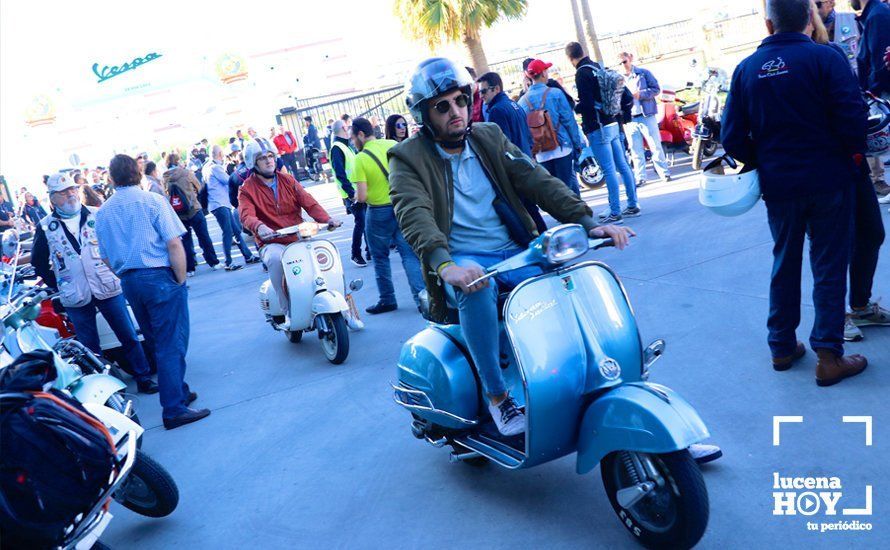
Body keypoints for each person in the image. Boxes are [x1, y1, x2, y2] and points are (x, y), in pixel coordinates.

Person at [389, 58, 634, 436]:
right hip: (464, 261)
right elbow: (413, 213)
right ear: (425, 113)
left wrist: (588, 221)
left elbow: (536, 179)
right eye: (443, 106)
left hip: (515, 250)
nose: (455, 111)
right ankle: (498, 397)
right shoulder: (409, 158)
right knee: (476, 290)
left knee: (568, 278)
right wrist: (445, 265)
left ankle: (602, 373)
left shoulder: (487, 136)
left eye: (459, 100)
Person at [722, 0, 869, 385]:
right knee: (829, 265)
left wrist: (765, 160)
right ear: (810, 18)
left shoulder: (746, 70)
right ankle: (828, 355)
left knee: (784, 260)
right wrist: (847, 159)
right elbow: (853, 118)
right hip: (829, 180)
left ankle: (782, 346)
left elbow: (732, 138)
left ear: (768, 23)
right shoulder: (826, 58)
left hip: (780, 186)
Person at [95, 155, 210, 430]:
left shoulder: (104, 211)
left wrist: (125, 275)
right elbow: (173, 243)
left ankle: (177, 391)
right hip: (158, 275)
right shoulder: (153, 201)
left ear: (111, 178)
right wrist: (179, 279)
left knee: (158, 339)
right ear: (138, 173)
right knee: (172, 341)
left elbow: (106, 257)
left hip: (130, 280)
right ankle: (173, 408)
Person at [32, 172, 158, 395]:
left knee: (127, 335)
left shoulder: (97, 214)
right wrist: (58, 283)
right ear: (52, 198)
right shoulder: (45, 227)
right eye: (63, 192)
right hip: (75, 293)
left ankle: (144, 377)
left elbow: (118, 243)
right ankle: (106, 389)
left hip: (107, 285)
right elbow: (38, 262)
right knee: (89, 346)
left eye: (72, 189)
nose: (70, 194)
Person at [237, 138, 339, 313]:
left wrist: (327, 219)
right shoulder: (247, 189)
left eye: (271, 156)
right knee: (275, 260)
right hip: (271, 242)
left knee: (323, 256)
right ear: (253, 163)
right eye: (262, 158)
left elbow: (309, 202)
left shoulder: (288, 180)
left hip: (298, 236)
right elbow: (246, 215)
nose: (269, 160)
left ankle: (341, 305)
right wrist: (260, 227)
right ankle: (287, 309)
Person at [351, 117, 425, 314]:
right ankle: (422, 299)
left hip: (378, 211)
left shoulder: (360, 158)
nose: (352, 142)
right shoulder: (392, 145)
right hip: (401, 205)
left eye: (353, 137)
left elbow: (363, 195)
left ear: (360, 134)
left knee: (380, 256)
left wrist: (355, 198)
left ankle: (387, 299)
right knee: (408, 253)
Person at [567, 41, 640, 223]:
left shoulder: (582, 73)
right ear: (583, 51)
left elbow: (588, 104)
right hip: (613, 122)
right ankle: (632, 204)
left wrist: (578, 109)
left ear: (570, 58)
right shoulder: (597, 67)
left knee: (608, 170)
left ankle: (615, 212)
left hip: (598, 127)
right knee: (622, 165)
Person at [478, 71, 547, 233]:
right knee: (531, 211)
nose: (481, 96)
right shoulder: (513, 105)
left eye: (483, 91)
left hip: (514, 169)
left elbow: (501, 145)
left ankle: (546, 245)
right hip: (525, 162)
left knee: (527, 214)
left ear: (495, 89)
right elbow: (528, 138)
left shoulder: (496, 111)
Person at [520, 59, 585, 195]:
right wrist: (577, 145)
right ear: (543, 73)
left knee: (554, 192)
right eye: (546, 70)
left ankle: (563, 215)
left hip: (541, 152)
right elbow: (569, 122)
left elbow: (524, 131)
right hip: (562, 147)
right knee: (567, 188)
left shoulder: (522, 101)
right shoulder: (555, 93)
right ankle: (577, 214)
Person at [852, 0, 890, 196]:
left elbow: (880, 63)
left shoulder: (877, 16)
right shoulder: (874, 15)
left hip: (883, 95)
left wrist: (871, 94)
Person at [204, 145, 261, 271]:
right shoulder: (215, 168)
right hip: (219, 204)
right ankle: (228, 262)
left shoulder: (207, 167)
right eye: (222, 153)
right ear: (219, 154)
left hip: (219, 204)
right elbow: (229, 180)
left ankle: (248, 256)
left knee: (236, 231)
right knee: (228, 232)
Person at [618, 52, 671, 185]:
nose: (623, 65)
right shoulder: (618, 79)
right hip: (630, 119)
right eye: (620, 63)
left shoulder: (643, 73)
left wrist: (640, 94)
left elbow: (656, 89)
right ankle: (640, 177)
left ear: (630, 59)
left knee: (655, 146)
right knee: (635, 150)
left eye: (624, 61)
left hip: (646, 115)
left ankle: (664, 173)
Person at [163, 153, 220, 276]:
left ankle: (190, 268)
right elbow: (199, 187)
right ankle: (213, 262)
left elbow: (166, 195)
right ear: (178, 161)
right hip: (194, 209)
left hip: (178, 214)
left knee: (185, 241)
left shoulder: (165, 177)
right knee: (204, 236)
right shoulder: (187, 173)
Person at [330, 120, 368, 267]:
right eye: (348, 127)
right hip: (351, 194)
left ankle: (369, 250)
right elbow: (340, 174)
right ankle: (355, 254)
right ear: (344, 129)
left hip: (357, 191)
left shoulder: (346, 146)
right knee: (361, 222)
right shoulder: (337, 148)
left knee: (365, 222)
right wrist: (351, 193)